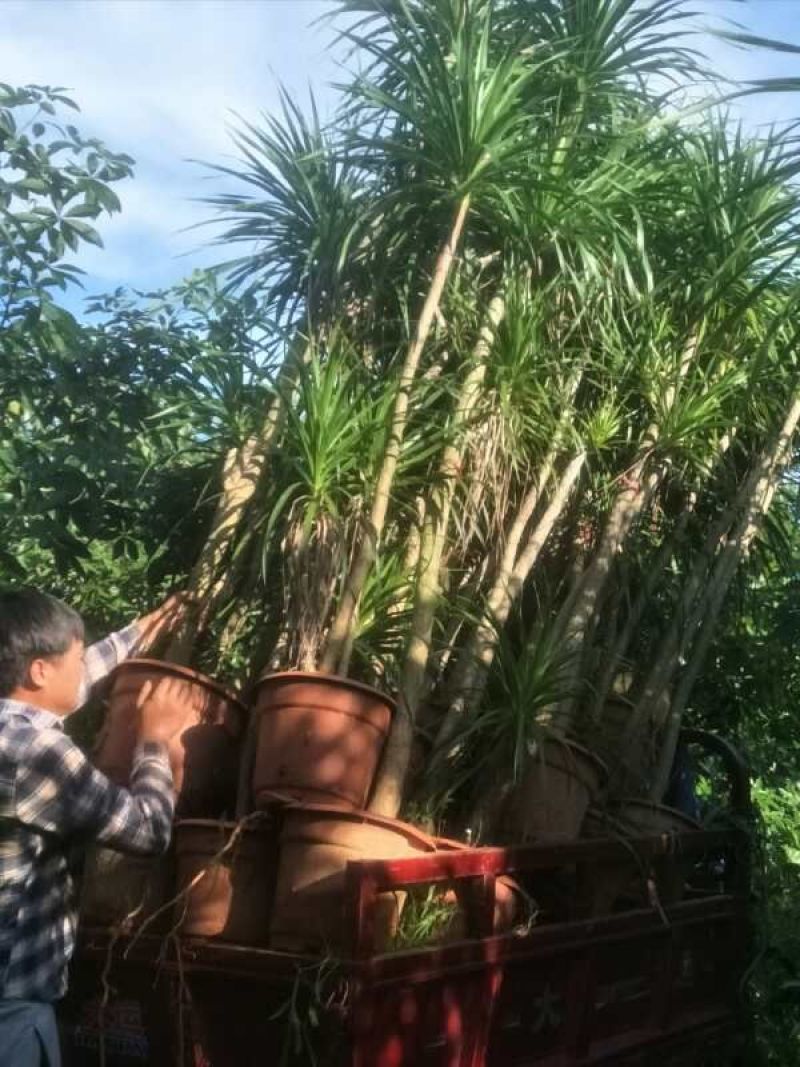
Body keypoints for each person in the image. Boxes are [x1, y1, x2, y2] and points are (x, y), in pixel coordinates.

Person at [0, 587, 191, 1067]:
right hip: (11, 1007)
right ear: (38, 671)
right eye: (76, 656)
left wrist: (145, 628)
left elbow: (76, 679)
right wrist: (153, 741)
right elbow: (148, 832)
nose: (83, 667)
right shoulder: (39, 753)